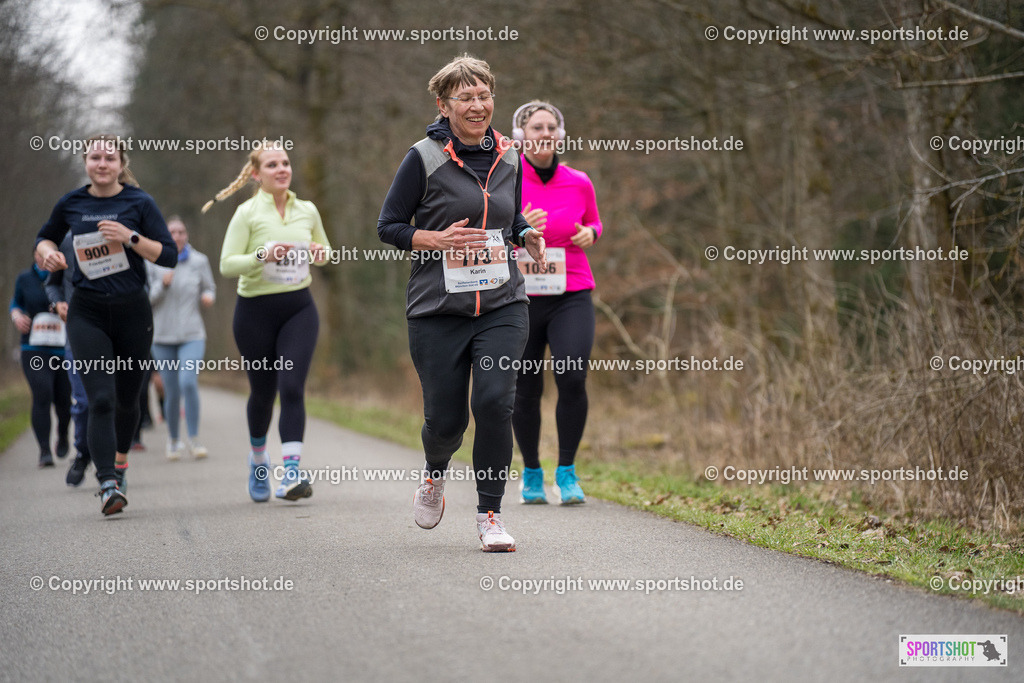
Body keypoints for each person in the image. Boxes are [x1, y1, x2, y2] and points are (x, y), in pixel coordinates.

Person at [377, 55, 547, 552]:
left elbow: (509, 218)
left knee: (495, 403)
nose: (477, 106)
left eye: (484, 95)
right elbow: (388, 226)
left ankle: (490, 515)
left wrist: (526, 234)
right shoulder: (423, 158)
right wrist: (435, 238)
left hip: (502, 302)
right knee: (446, 422)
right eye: (465, 98)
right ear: (444, 105)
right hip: (437, 310)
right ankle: (434, 473)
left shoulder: (511, 157)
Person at [35, 134, 177, 515]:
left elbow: (169, 256)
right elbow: (44, 239)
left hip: (133, 312)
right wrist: (48, 255)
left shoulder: (138, 202)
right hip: (88, 312)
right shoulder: (71, 203)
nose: (102, 164)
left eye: (109, 158)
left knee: (128, 401)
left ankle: (120, 462)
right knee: (100, 399)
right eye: (95, 157)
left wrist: (130, 238)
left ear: (120, 163)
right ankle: (108, 484)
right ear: (85, 161)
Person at [206, 141, 330, 503]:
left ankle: (291, 472)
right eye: (273, 164)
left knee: (292, 386)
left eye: (286, 163)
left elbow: (325, 251)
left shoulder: (306, 209)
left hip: (299, 310)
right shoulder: (247, 213)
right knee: (264, 392)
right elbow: (227, 264)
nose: (282, 169)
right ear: (256, 174)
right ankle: (259, 460)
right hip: (255, 312)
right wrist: (261, 255)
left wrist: (322, 253)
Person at [510, 101, 603, 505]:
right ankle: (531, 471)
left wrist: (591, 235)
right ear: (522, 135)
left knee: (572, 376)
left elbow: (594, 221)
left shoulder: (579, 181)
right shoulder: (507, 179)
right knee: (526, 389)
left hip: (572, 292)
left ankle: (566, 471)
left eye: (551, 127)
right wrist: (518, 227)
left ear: (559, 134)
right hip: (521, 297)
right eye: (536, 127)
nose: (544, 133)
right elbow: (486, 229)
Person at [146, 216, 215, 461]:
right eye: (172, 232)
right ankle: (174, 440)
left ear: (187, 235)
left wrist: (208, 297)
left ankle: (195, 440)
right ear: (164, 235)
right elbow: (148, 300)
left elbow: (210, 287)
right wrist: (161, 286)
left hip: (192, 335)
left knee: (188, 382)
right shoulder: (153, 261)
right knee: (172, 391)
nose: (177, 236)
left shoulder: (199, 261)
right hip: (162, 337)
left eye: (181, 232)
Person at [10, 252, 71, 468]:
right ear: (35, 255)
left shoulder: (66, 275)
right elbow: (15, 303)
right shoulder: (25, 278)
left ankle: (63, 434)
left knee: (64, 402)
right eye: (40, 254)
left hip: (63, 350)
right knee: (42, 393)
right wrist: (16, 316)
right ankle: (44, 450)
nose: (44, 258)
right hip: (33, 347)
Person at [43, 234, 91, 485]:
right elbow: (52, 284)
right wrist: (58, 303)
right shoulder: (66, 240)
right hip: (76, 333)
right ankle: (82, 453)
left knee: (111, 402)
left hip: (114, 334)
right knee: (83, 402)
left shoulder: (121, 230)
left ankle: (116, 467)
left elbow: (142, 284)